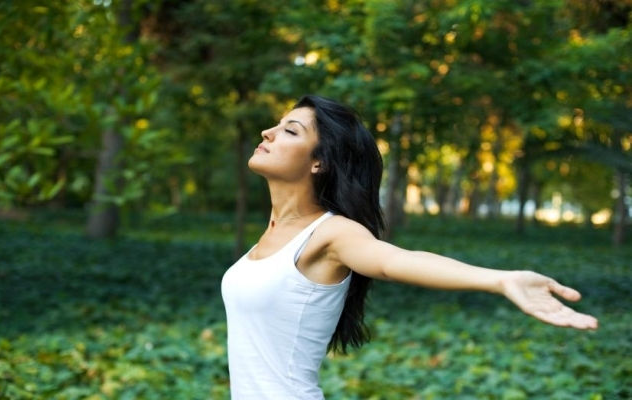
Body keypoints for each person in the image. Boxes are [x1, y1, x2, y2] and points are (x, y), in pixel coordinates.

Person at [220, 94, 598, 399]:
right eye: (277, 125)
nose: (268, 132)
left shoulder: (332, 233)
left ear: (319, 162)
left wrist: (500, 280)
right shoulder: (274, 233)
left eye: (290, 130)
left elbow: (394, 261)